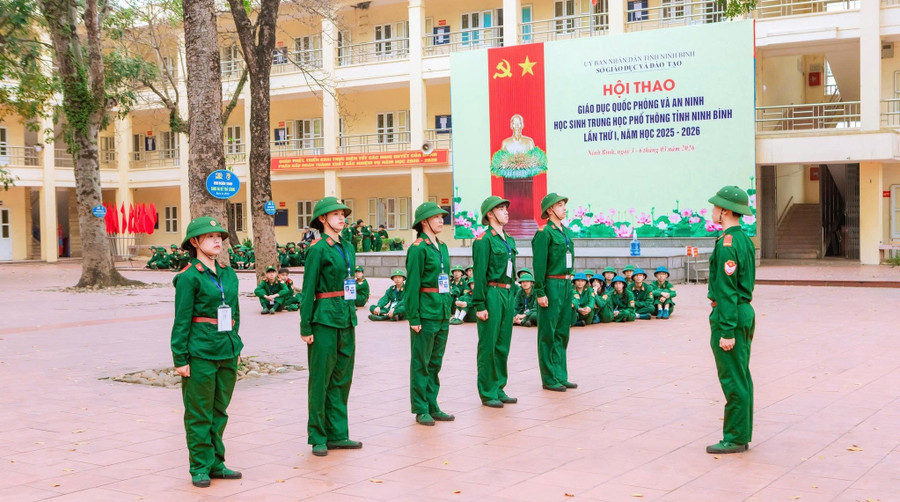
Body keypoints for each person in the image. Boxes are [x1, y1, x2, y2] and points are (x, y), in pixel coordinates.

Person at [170, 216, 243, 488]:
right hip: (201, 351)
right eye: (210, 237)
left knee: (219, 410)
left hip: (226, 349)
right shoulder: (189, 277)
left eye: (219, 237)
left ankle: (216, 463)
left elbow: (235, 313)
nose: (217, 241)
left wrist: (236, 343)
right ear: (194, 242)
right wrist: (180, 358)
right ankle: (200, 466)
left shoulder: (228, 273)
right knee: (199, 412)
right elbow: (181, 320)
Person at [300, 196, 363, 457]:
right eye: (336, 214)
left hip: (346, 317)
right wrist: (305, 326)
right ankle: (318, 436)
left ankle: (338, 433)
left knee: (342, 378)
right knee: (320, 380)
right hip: (324, 318)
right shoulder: (317, 249)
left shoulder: (347, 246)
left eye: (343, 214)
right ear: (323, 219)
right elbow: (308, 290)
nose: (342, 218)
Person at [706, 186, 756, 455]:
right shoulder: (744, 239)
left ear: (725, 211)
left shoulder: (727, 244)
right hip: (742, 312)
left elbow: (727, 291)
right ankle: (741, 433)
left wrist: (726, 330)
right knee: (741, 375)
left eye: (716, 207)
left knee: (733, 378)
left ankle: (735, 437)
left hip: (730, 314)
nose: (713, 210)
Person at [405, 202, 455, 426]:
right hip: (426, 312)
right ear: (424, 222)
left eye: (442, 217)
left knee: (435, 362)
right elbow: (412, 285)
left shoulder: (442, 246)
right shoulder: (418, 248)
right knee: (421, 362)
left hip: (441, 310)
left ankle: (432, 403)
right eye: (436, 217)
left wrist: (449, 306)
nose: (441, 220)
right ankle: (420, 408)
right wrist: (413, 317)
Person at [472, 195, 518, 408]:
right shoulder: (484, 240)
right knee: (488, 344)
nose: (506, 212)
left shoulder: (509, 239)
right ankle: (487, 391)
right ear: (490, 214)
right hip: (491, 292)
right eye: (501, 209)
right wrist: (480, 304)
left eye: (506, 208)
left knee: (502, 344)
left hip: (507, 293)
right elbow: (479, 274)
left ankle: (499, 386)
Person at [531, 193, 576, 393]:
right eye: (559, 205)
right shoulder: (544, 233)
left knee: (562, 332)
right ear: (549, 210)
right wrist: (540, 291)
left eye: (564, 204)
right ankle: (549, 378)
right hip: (551, 284)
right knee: (548, 333)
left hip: (566, 284)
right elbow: (539, 264)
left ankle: (560, 375)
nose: (564, 208)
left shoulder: (565, 232)